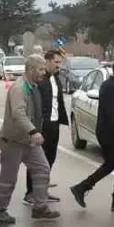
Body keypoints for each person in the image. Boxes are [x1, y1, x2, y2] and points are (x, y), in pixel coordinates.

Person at [0, 55, 59, 224]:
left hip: (28, 142)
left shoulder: (33, 86)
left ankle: (40, 207)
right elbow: (18, 114)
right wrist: (33, 131)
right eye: (41, 69)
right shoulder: (19, 88)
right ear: (30, 69)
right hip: (13, 141)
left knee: (42, 169)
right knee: (8, 178)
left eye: (44, 69)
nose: (44, 72)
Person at [69, 58, 114, 212]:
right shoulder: (111, 88)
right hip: (109, 133)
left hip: (106, 132)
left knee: (111, 164)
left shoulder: (112, 86)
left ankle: (82, 188)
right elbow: (112, 114)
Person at [28, 47, 68, 204]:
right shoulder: (40, 79)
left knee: (50, 159)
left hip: (54, 124)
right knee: (37, 160)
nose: (59, 65)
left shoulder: (56, 78)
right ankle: (30, 192)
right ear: (48, 61)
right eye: (56, 62)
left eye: (60, 62)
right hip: (42, 125)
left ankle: (42, 190)